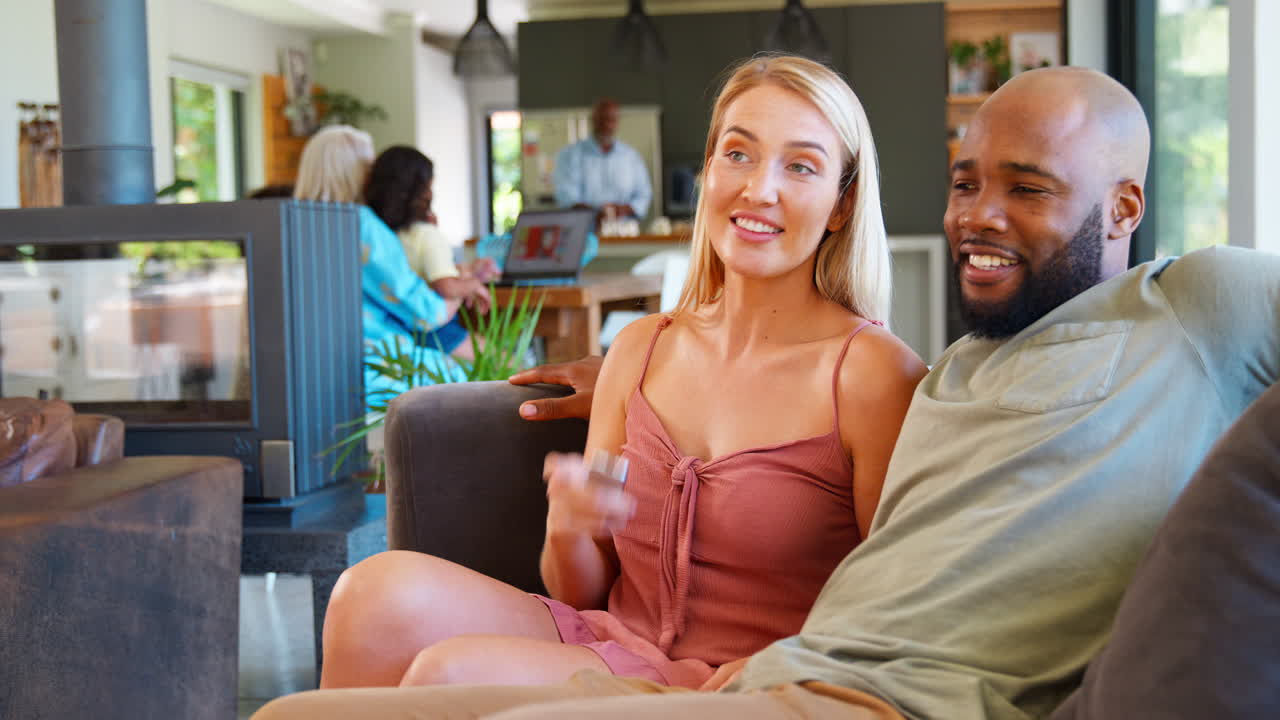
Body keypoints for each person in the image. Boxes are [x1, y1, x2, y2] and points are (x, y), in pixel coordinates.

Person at [255, 66, 1280, 720]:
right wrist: (593, 455)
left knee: (457, 688)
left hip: (805, 681)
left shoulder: (1191, 312)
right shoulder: (965, 365)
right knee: (302, 692)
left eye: (1028, 188)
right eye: (966, 182)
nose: (978, 216)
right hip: (757, 669)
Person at [304, 55, 927, 693]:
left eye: (800, 166)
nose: (758, 189)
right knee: (367, 593)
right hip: (612, 641)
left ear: (842, 204)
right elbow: (581, 589)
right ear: (709, 170)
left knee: (449, 673)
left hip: (745, 684)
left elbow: (903, 601)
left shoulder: (874, 375)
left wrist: (794, 662)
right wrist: (571, 524)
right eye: (738, 154)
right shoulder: (639, 349)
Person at [293, 125, 466, 395]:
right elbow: (423, 311)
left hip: (309, 361)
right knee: (465, 374)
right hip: (369, 360)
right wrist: (459, 289)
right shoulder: (360, 224)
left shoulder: (296, 222)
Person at [364, 145, 500, 358]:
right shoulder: (426, 235)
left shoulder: (380, 234)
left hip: (401, 326)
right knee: (504, 359)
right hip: (436, 331)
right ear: (423, 192)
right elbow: (445, 286)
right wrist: (472, 284)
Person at [553, 99, 653, 225]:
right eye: (602, 119)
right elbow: (566, 198)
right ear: (593, 120)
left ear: (617, 122)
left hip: (625, 234)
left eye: (612, 120)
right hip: (584, 233)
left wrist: (621, 210)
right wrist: (597, 213)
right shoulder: (569, 155)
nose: (607, 125)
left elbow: (643, 196)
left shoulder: (631, 157)